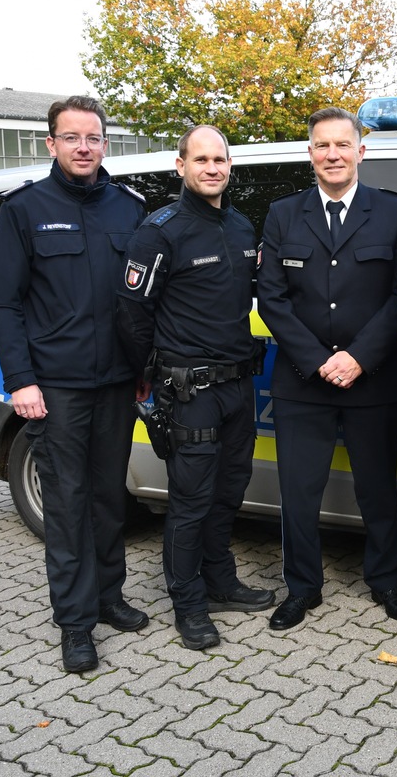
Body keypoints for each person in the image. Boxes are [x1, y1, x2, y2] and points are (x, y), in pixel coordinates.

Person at [0, 96, 148, 673]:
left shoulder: (130, 208)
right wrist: (20, 381)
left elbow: (141, 300)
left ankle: (108, 596)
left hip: (118, 385)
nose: (84, 147)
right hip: (56, 389)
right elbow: (2, 303)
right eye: (72, 137)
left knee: (109, 499)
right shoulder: (24, 210)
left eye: (94, 137)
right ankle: (75, 622)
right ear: (51, 144)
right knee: (68, 502)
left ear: (105, 143)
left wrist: (143, 371)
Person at [256, 107, 397, 630]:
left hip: (373, 379)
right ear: (311, 154)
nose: (333, 155)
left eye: (342, 145)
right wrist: (319, 361)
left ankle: (387, 582)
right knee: (299, 493)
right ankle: (301, 588)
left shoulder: (396, 213)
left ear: (360, 152)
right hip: (304, 382)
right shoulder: (282, 214)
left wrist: (358, 357)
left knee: (377, 489)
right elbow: (272, 299)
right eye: (322, 146)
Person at [115, 124, 275, 651]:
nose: (212, 168)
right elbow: (133, 315)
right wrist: (151, 377)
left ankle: (221, 582)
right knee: (191, 500)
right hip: (190, 391)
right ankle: (188, 604)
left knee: (229, 493)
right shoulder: (159, 231)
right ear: (180, 166)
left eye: (220, 159)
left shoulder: (240, 227)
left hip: (236, 387)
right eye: (200, 159)